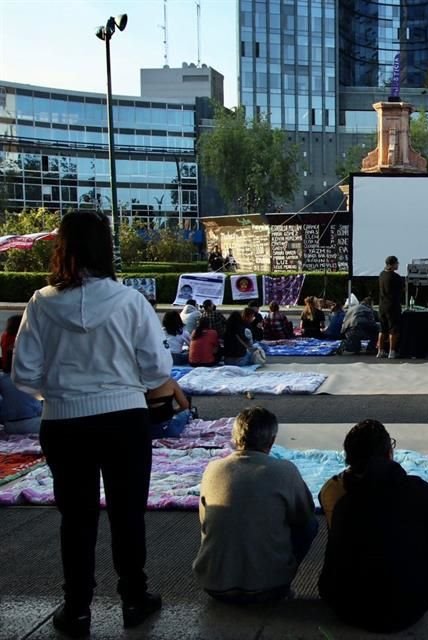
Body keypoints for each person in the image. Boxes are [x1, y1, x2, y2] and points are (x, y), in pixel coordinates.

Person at [11, 211, 171, 635]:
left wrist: (61, 392)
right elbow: (157, 370)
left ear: (62, 248)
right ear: (106, 248)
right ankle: (134, 599)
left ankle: (77, 608)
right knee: (128, 513)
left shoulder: (40, 303)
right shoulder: (131, 301)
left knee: (76, 518)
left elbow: (23, 374)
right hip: (125, 421)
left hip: (64, 423)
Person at [318, 420, 428, 633]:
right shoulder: (414, 490)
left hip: (346, 606)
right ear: (389, 454)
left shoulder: (335, 494)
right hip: (409, 606)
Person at [193, 407, 317, 604]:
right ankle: (278, 576)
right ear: (272, 440)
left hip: (213, 584)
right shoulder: (285, 470)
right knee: (311, 524)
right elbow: (304, 516)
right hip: (269, 587)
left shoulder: (212, 469)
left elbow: (204, 521)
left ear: (234, 438)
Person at [377, 256, 404, 358]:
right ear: (392, 264)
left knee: (382, 329)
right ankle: (392, 351)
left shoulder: (381, 274)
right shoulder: (395, 277)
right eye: (397, 263)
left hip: (382, 306)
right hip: (393, 306)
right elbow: (401, 289)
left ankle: (380, 351)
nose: (398, 265)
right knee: (393, 329)